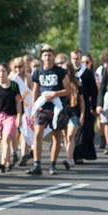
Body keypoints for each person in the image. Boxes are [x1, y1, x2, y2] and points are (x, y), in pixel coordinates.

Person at [26, 44, 71, 176]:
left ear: (53, 56)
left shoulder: (60, 72)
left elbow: (69, 89)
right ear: (41, 57)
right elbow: (35, 89)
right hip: (42, 106)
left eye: (50, 55)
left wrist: (55, 93)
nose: (47, 58)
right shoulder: (38, 71)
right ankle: (37, 164)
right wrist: (33, 108)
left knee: (56, 136)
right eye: (45, 55)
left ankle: (52, 164)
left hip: (57, 107)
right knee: (38, 134)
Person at [0, 62, 22, 173]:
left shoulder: (13, 85)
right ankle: (8, 162)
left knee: (7, 138)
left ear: (7, 72)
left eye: (4, 71)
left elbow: (18, 102)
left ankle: (3, 162)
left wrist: (19, 116)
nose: (2, 74)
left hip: (11, 116)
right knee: (3, 139)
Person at [71, 49, 98, 164]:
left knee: (83, 130)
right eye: (73, 58)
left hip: (85, 104)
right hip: (71, 105)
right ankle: (72, 153)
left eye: (77, 59)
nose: (75, 61)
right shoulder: (68, 73)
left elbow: (94, 92)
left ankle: (79, 154)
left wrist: (94, 106)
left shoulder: (87, 73)